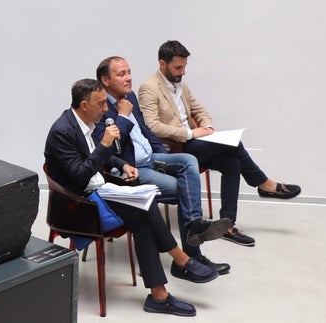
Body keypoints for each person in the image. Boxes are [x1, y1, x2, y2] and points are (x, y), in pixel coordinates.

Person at [45, 79, 220, 317]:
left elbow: (96, 154)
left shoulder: (83, 123)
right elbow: (79, 177)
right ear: (84, 105)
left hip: (97, 192)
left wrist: (122, 164)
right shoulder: (62, 132)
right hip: (78, 205)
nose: (106, 109)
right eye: (100, 104)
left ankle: (160, 295)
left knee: (144, 211)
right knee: (145, 208)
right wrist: (105, 144)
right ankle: (180, 261)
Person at [137, 40, 301, 246]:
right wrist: (191, 133)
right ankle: (264, 183)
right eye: (178, 67)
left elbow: (200, 110)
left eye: (185, 66)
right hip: (175, 149)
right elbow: (152, 127)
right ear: (162, 64)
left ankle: (228, 226)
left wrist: (207, 127)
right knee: (234, 144)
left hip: (194, 143)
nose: (183, 72)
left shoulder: (180, 84)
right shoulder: (148, 88)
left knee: (233, 163)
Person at [94, 56, 231, 274]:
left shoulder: (130, 97)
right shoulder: (100, 107)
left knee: (188, 160)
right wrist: (122, 116)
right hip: (132, 169)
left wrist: (162, 155)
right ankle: (189, 258)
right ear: (105, 80)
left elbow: (146, 131)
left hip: (151, 157)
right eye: (121, 74)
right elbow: (111, 148)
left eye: (129, 72)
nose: (129, 78)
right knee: (183, 189)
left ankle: (194, 226)